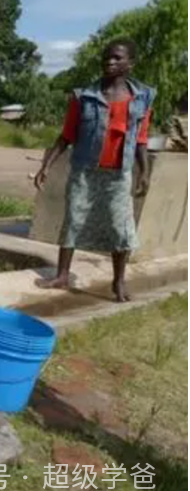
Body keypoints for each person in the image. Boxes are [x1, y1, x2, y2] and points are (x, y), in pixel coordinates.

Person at [35, 40, 155, 303]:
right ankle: (62, 275)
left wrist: (144, 172)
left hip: (119, 174)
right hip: (85, 171)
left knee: (120, 227)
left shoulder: (142, 98)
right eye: (107, 57)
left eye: (117, 58)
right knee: (73, 219)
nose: (110, 62)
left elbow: (141, 139)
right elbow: (67, 135)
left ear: (130, 63)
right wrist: (47, 165)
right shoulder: (84, 97)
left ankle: (118, 281)